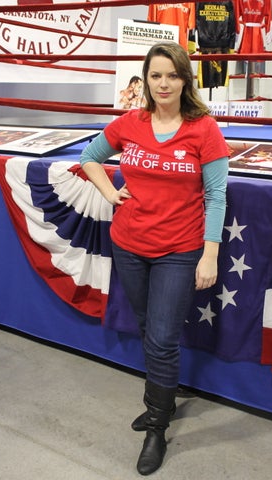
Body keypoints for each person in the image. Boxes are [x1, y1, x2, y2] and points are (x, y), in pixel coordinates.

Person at [80, 41, 229, 476]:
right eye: (155, 75)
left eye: (172, 75)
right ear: (145, 80)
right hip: (129, 244)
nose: (163, 84)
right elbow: (89, 158)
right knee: (149, 329)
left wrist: (210, 255)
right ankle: (159, 400)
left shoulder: (203, 129)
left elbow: (217, 194)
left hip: (179, 250)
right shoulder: (131, 121)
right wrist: (112, 194)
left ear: (186, 79)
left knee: (162, 338)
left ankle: (157, 426)